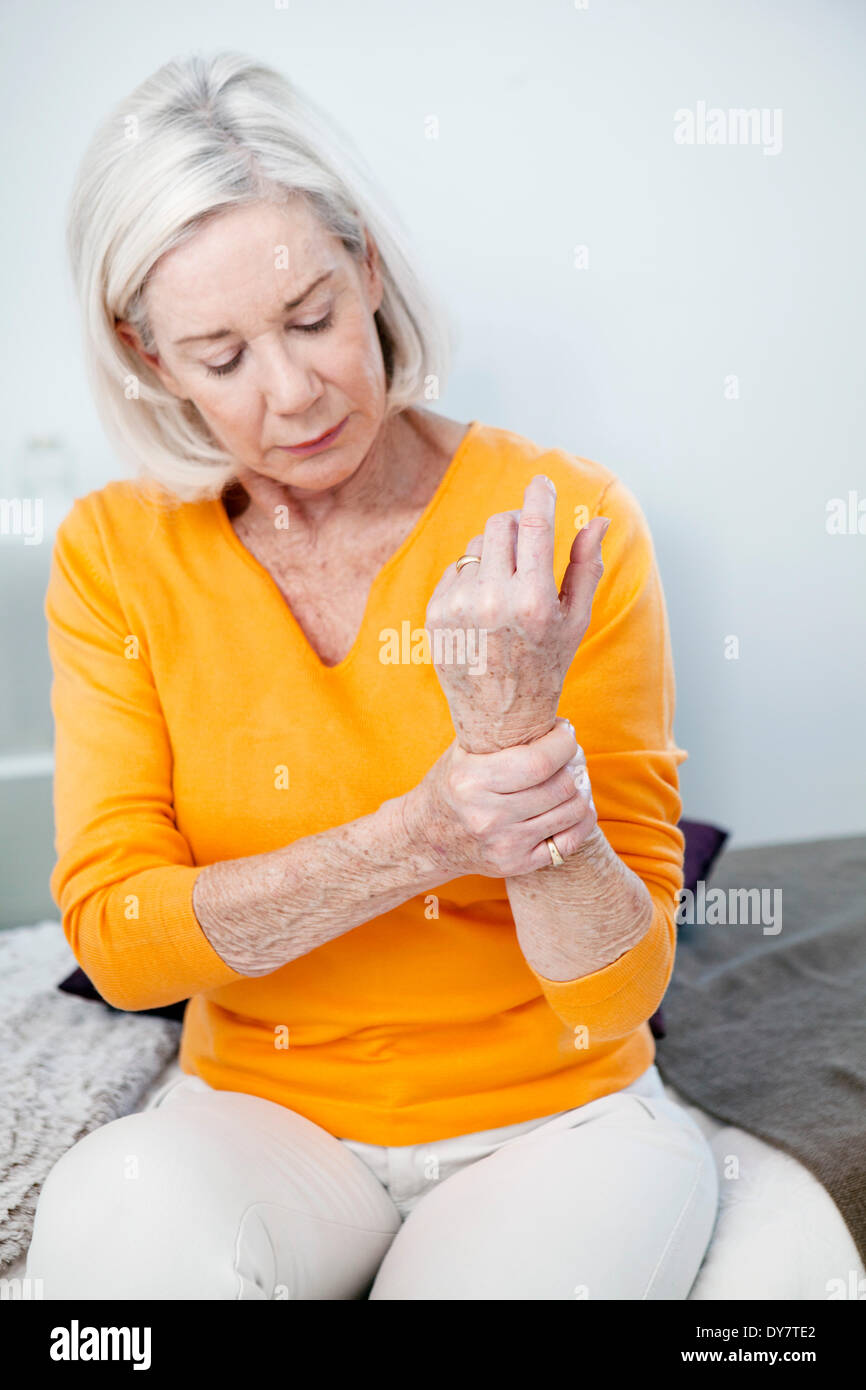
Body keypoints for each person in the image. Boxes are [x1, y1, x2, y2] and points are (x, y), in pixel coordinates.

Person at [25, 50, 718, 1299]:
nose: (292, 393)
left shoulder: (558, 523)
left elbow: (618, 985)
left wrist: (516, 749)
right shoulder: (114, 556)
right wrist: (424, 834)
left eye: (310, 318)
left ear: (369, 271)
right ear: (147, 356)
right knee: (106, 1237)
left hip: (556, 1120)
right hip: (260, 1120)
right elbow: (123, 945)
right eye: (221, 355)